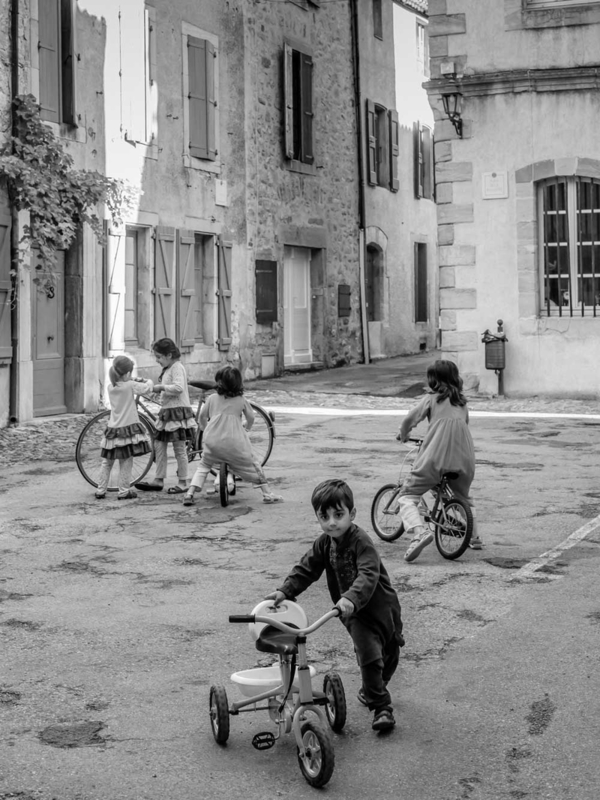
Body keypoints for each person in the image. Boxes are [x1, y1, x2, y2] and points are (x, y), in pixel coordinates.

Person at [265, 479, 404, 732]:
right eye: (324, 516)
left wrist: (351, 596)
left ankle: (373, 686)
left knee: (390, 653)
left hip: (383, 608)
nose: (331, 522)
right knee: (370, 655)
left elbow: (368, 574)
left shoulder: (362, 542)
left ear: (351, 514)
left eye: (338, 515)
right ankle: (381, 707)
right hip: (354, 614)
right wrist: (285, 591)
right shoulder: (324, 543)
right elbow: (307, 568)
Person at [397, 359, 482, 563]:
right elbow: (464, 426)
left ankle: (419, 532)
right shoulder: (462, 402)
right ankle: (475, 537)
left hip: (436, 456)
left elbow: (410, 418)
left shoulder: (431, 399)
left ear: (433, 379)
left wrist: (404, 434)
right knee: (462, 496)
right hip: (464, 458)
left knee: (407, 496)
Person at [182, 365, 282, 505]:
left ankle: (189, 493)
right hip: (236, 443)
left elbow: (202, 418)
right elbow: (251, 418)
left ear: (219, 383)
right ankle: (267, 493)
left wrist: (206, 429)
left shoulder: (211, 398)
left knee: (204, 466)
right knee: (253, 463)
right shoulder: (241, 400)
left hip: (213, 442)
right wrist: (246, 428)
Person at [135, 338, 196, 494]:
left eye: (159, 357)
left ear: (169, 355)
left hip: (178, 412)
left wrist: (161, 387)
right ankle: (159, 478)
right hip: (167, 412)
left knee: (179, 448)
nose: (157, 360)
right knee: (159, 445)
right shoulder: (168, 368)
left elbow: (179, 387)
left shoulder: (177, 367)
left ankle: (183, 481)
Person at [95, 355, 154, 500]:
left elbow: (124, 384)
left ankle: (100, 490)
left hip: (113, 429)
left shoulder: (111, 387)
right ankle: (123, 491)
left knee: (107, 462)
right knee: (126, 461)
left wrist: (132, 380)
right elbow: (146, 389)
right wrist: (149, 380)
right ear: (128, 374)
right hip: (127, 429)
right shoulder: (130, 386)